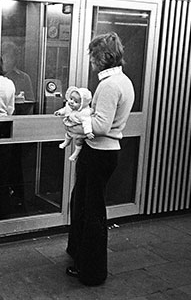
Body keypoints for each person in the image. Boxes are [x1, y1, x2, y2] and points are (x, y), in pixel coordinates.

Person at [65, 32, 135, 286]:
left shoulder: (108, 85)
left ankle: (91, 271)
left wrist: (77, 121)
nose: (92, 62)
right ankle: (81, 259)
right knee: (85, 205)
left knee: (91, 211)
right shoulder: (123, 81)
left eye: (93, 57)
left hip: (98, 152)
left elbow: (102, 125)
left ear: (102, 57)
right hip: (107, 153)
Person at [54, 86, 94, 161]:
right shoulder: (69, 106)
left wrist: (88, 132)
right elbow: (65, 109)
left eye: (76, 102)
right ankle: (66, 142)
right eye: (71, 99)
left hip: (79, 129)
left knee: (78, 141)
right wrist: (59, 112)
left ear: (82, 104)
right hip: (71, 125)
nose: (71, 102)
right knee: (68, 134)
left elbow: (87, 122)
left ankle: (75, 154)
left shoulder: (83, 113)